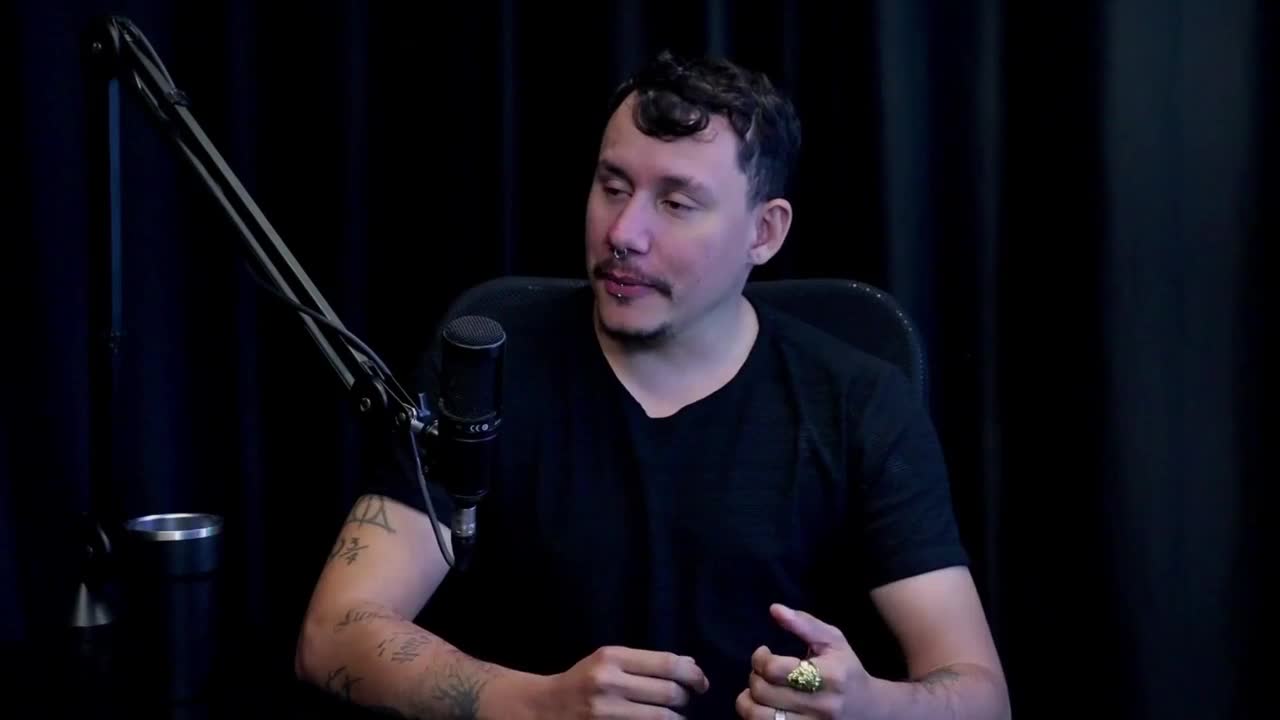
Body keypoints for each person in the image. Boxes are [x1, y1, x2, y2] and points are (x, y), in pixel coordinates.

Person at [294, 49, 1010, 720]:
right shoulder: (492, 363)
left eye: (676, 203)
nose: (624, 233)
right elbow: (333, 634)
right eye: (613, 188)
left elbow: (981, 693)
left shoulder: (858, 401)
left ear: (764, 232)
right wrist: (537, 704)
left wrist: (869, 704)